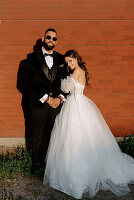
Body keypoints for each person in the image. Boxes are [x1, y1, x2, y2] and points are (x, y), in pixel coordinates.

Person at [43, 50, 134, 199]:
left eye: (70, 61)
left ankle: (78, 175)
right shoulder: (80, 70)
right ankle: (69, 171)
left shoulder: (78, 70)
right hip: (75, 104)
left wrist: (62, 75)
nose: (69, 64)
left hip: (76, 105)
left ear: (76, 59)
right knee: (71, 139)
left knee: (76, 138)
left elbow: (65, 89)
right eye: (66, 62)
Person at [24, 28, 68, 173]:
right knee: (37, 132)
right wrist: (46, 98)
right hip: (39, 102)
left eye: (54, 38)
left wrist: (60, 98)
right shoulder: (31, 58)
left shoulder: (62, 59)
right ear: (43, 39)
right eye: (48, 37)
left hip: (56, 103)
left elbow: (67, 81)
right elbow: (27, 82)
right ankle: (36, 162)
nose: (51, 40)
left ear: (56, 41)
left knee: (55, 133)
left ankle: (52, 162)